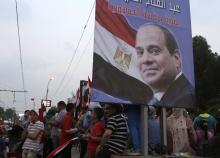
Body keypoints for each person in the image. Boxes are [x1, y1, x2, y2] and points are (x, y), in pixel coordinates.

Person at [135, 23, 195, 108]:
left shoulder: (185, 99)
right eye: (140, 53)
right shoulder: (159, 99)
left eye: (155, 51)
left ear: (176, 58)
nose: (145, 60)